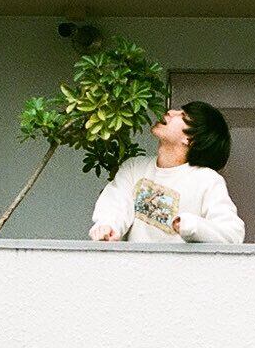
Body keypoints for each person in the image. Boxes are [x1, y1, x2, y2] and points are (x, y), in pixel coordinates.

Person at [89, 101, 245, 243]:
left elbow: (232, 233)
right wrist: (108, 226)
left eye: (183, 115)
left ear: (190, 139)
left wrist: (192, 226)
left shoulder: (207, 180)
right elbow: (116, 201)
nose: (170, 112)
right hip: (134, 263)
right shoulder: (135, 167)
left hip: (179, 265)